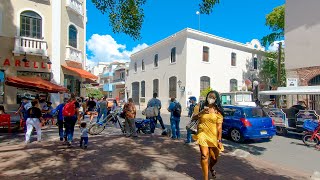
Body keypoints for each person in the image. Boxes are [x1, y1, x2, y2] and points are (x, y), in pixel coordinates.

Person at [192, 90, 224, 180]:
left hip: (213, 136)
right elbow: (193, 117)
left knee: (214, 158)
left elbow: (219, 127)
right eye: (210, 96)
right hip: (202, 134)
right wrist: (201, 112)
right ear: (207, 97)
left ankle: (210, 168)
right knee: (204, 155)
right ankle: (205, 178)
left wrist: (219, 140)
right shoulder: (200, 106)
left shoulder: (218, 111)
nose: (211, 99)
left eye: (213, 98)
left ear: (216, 99)